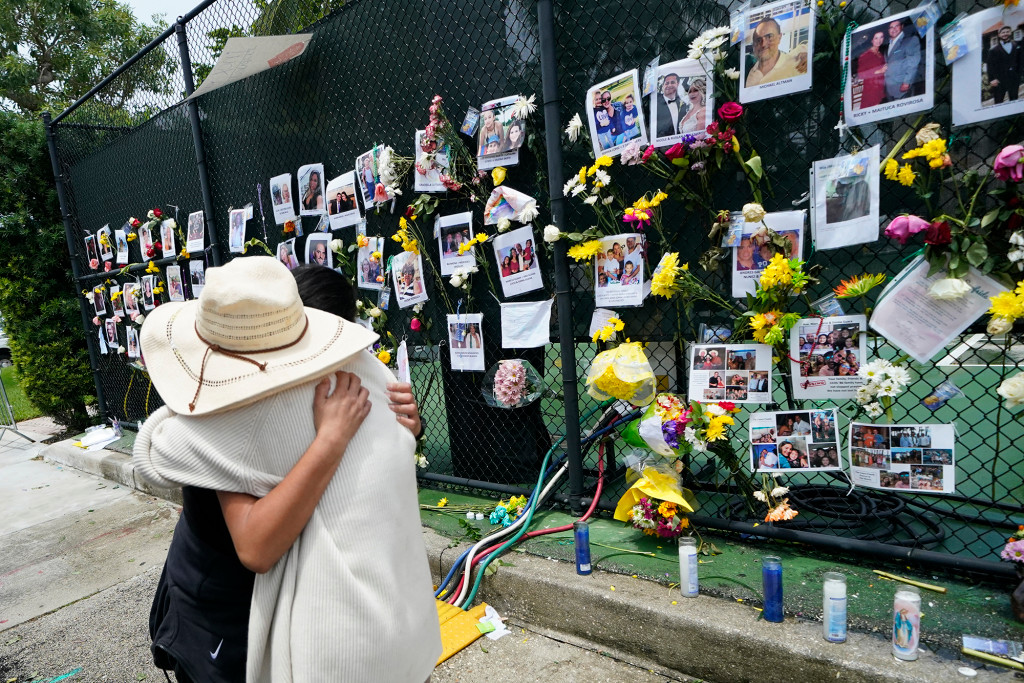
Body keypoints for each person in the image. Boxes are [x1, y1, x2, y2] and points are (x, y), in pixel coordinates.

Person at [138, 261, 438, 682]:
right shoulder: (223, 408)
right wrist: (330, 441)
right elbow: (257, 547)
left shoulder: (345, 387)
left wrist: (401, 425)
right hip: (222, 607)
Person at [746, 17, 809, 86]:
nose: (763, 44)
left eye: (769, 37)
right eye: (758, 40)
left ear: (779, 37)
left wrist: (810, 55)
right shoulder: (749, 71)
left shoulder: (798, 62)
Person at [883, 19, 921, 102]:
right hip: (889, 90)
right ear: (888, 30)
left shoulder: (910, 40)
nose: (894, 29)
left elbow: (913, 63)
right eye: (891, 27)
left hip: (902, 89)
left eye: (896, 26)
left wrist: (907, 82)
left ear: (902, 26)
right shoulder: (887, 45)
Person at [987, 25, 1023, 103]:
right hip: (999, 79)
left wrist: (1019, 74)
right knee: (998, 101)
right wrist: (992, 79)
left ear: (1010, 33)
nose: (1005, 34)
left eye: (1007, 32)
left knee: (1014, 99)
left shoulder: (1016, 45)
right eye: (1003, 32)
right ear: (999, 35)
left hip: (1014, 77)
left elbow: (1020, 61)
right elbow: (990, 65)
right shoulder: (993, 50)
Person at [856, 31, 888, 109]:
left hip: (881, 87)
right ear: (872, 40)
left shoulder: (880, 54)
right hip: (871, 90)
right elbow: (861, 74)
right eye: (876, 38)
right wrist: (880, 71)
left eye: (881, 37)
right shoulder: (865, 55)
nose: (879, 40)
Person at [655, 72, 684, 137]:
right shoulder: (655, 101)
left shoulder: (682, 104)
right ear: (663, 86)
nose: (669, 85)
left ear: (678, 84)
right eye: (667, 83)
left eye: (672, 82)